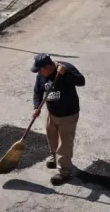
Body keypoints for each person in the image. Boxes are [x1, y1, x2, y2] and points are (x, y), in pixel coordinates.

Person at [32, 53, 85, 186]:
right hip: (52, 113)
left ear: (48, 66)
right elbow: (37, 91)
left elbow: (81, 81)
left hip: (68, 114)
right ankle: (54, 157)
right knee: (52, 136)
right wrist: (36, 107)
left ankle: (64, 172)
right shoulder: (41, 74)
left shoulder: (66, 68)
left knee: (65, 144)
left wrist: (66, 73)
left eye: (40, 69)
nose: (39, 72)